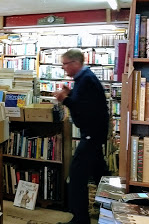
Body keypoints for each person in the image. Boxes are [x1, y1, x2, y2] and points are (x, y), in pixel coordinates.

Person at [53, 49, 110, 224]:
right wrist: (70, 94)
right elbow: (86, 103)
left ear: (75, 63)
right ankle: (111, 209)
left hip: (91, 135)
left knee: (77, 177)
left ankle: (80, 219)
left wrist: (65, 99)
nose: (63, 68)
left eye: (65, 64)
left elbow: (87, 110)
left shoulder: (86, 80)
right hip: (94, 134)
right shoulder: (84, 79)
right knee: (101, 173)